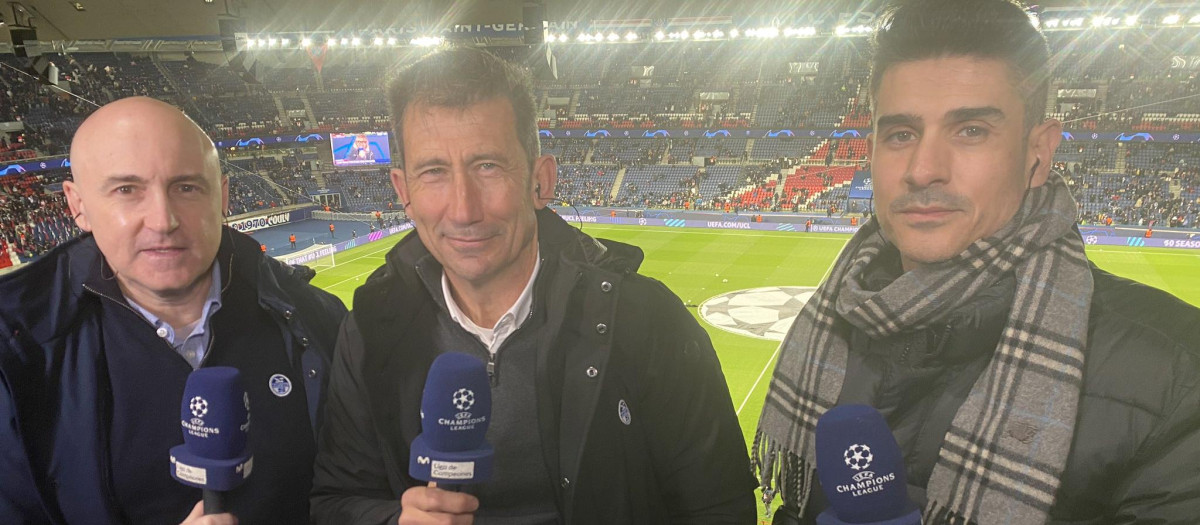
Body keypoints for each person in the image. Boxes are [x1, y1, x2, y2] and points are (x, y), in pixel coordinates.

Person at [754, 1, 1200, 523]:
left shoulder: (1177, 374)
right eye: (900, 134)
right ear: (870, 150)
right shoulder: (827, 330)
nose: (923, 169)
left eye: (970, 131)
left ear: (1039, 152)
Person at [310, 47, 754, 524]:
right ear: (403, 192)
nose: (463, 209)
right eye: (434, 172)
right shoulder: (372, 330)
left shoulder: (648, 322)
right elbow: (336, 500)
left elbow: (719, 506)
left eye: (488, 166)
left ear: (541, 181)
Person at [0, 97, 348, 524]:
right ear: (78, 205)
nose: (162, 220)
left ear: (222, 196)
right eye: (126, 190)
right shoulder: (15, 350)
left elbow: (358, 489)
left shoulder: (318, 318)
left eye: (186, 187)